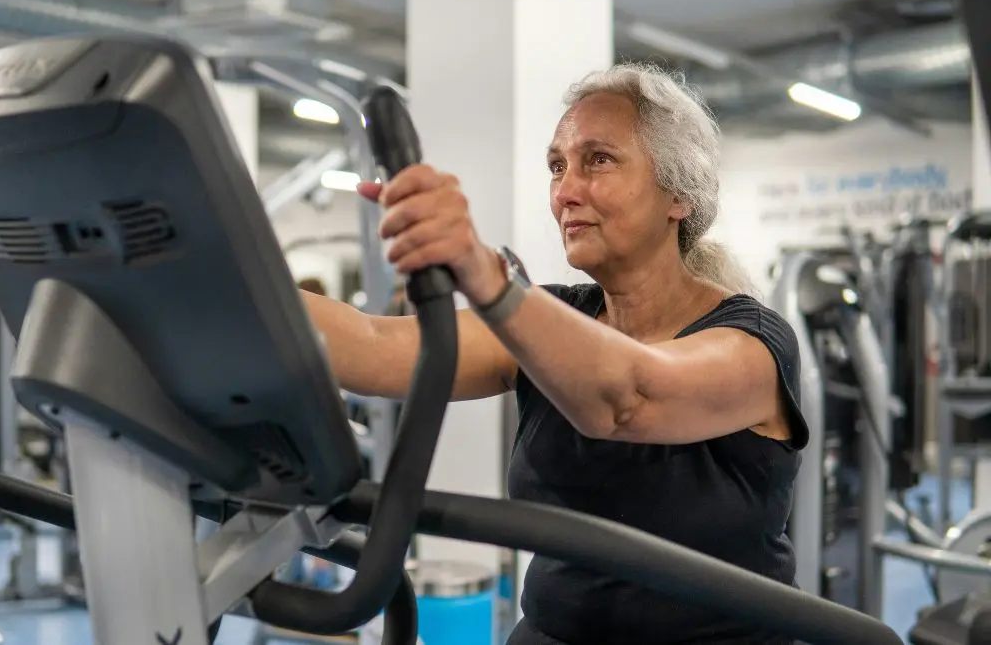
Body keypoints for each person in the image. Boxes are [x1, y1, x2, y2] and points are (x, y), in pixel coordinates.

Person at [300, 62, 808, 645]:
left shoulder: (755, 342)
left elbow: (629, 398)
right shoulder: (553, 319)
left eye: (598, 160)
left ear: (679, 193)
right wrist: (211, 275)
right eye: (557, 167)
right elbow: (372, 346)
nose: (565, 192)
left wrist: (485, 273)